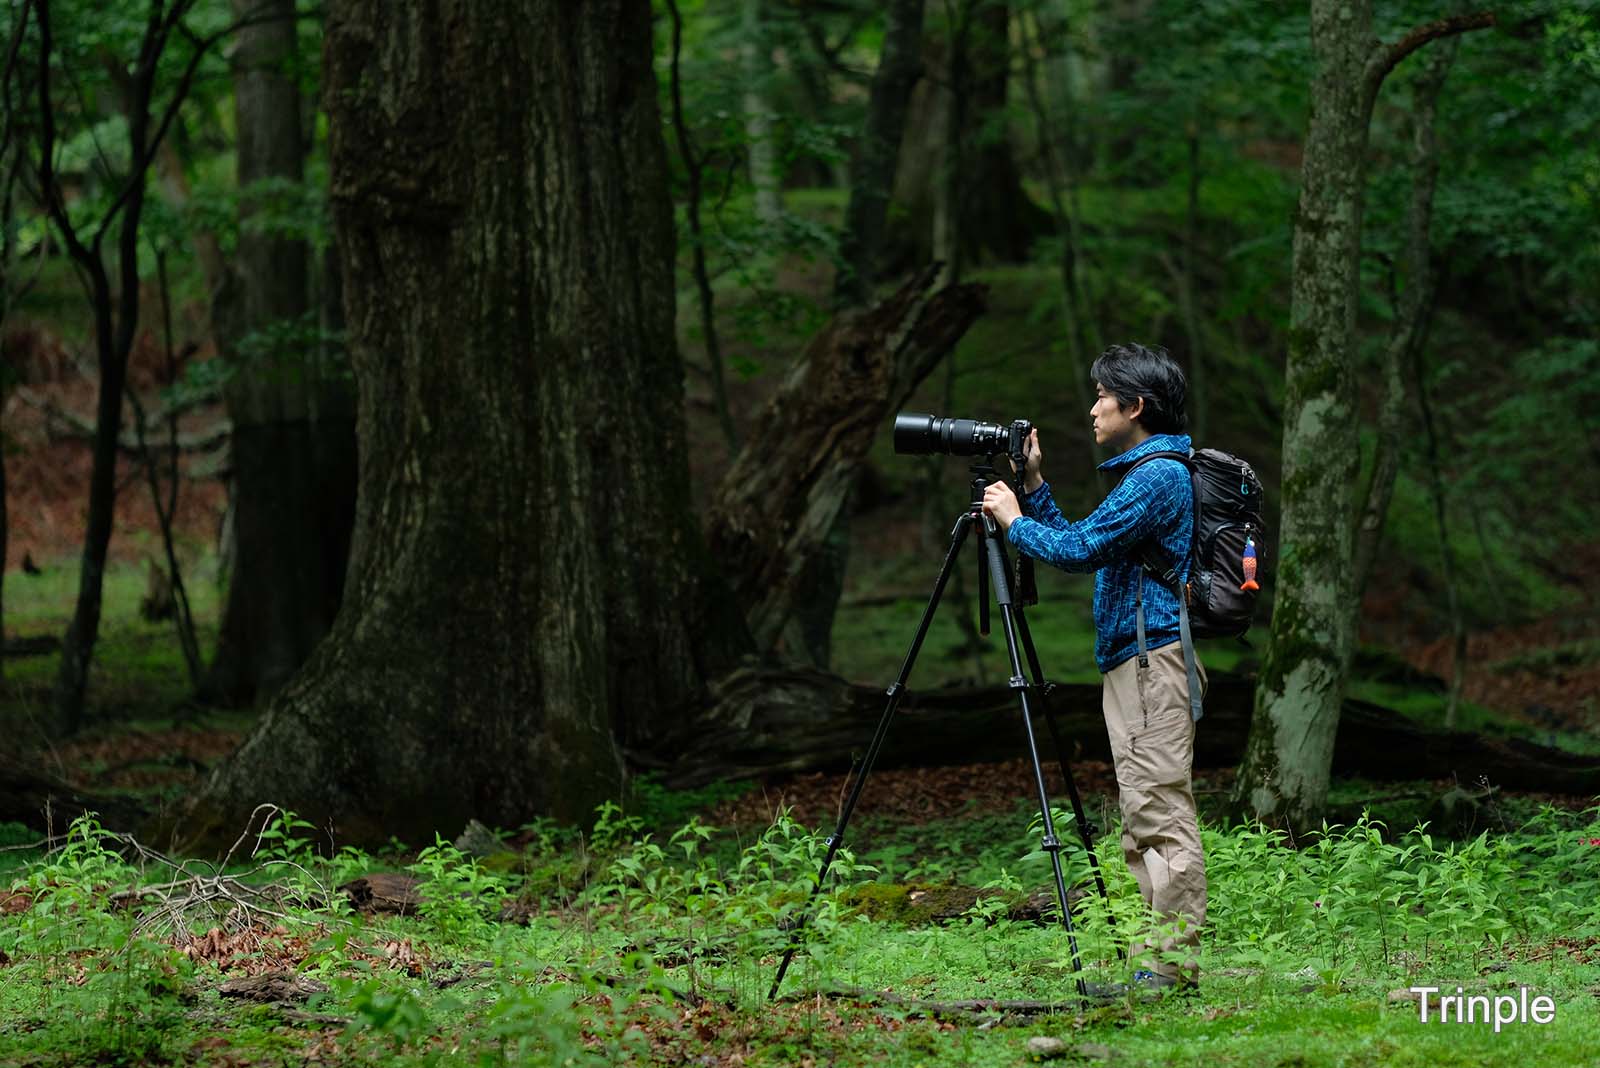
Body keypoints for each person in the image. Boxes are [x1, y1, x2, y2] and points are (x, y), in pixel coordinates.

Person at [981, 341, 1206, 992]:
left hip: (1151, 666)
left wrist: (1014, 521)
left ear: (1135, 406)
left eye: (1103, 396)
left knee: (1160, 813)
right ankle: (1158, 966)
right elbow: (1089, 542)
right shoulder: (1147, 475)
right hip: (1137, 665)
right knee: (1142, 816)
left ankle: (1170, 969)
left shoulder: (1159, 477)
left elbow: (1078, 549)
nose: (1092, 408)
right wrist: (1033, 487)